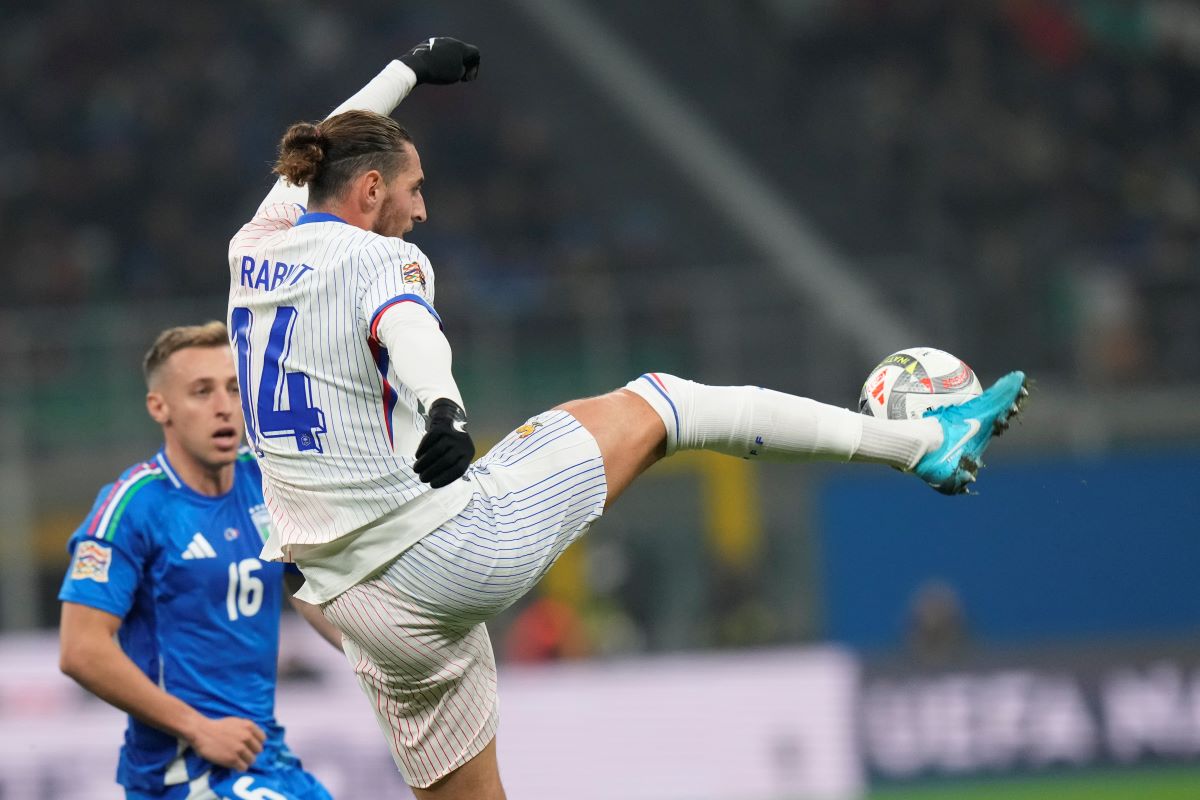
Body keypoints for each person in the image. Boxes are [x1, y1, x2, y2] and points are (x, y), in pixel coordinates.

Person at [227, 38, 1028, 798]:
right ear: (370, 193)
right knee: (667, 403)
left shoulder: (254, 244)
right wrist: (445, 410)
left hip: (356, 605)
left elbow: (326, 148)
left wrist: (404, 69)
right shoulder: (379, 256)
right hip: (441, 552)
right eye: (413, 190)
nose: (423, 209)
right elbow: (410, 329)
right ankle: (924, 440)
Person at [58, 322, 342, 800]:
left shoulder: (267, 483)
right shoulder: (134, 505)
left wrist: (378, 658)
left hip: (262, 756)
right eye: (201, 391)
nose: (223, 407)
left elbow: (307, 586)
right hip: (183, 771)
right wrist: (198, 728)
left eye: (233, 388)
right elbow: (80, 648)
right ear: (160, 407)